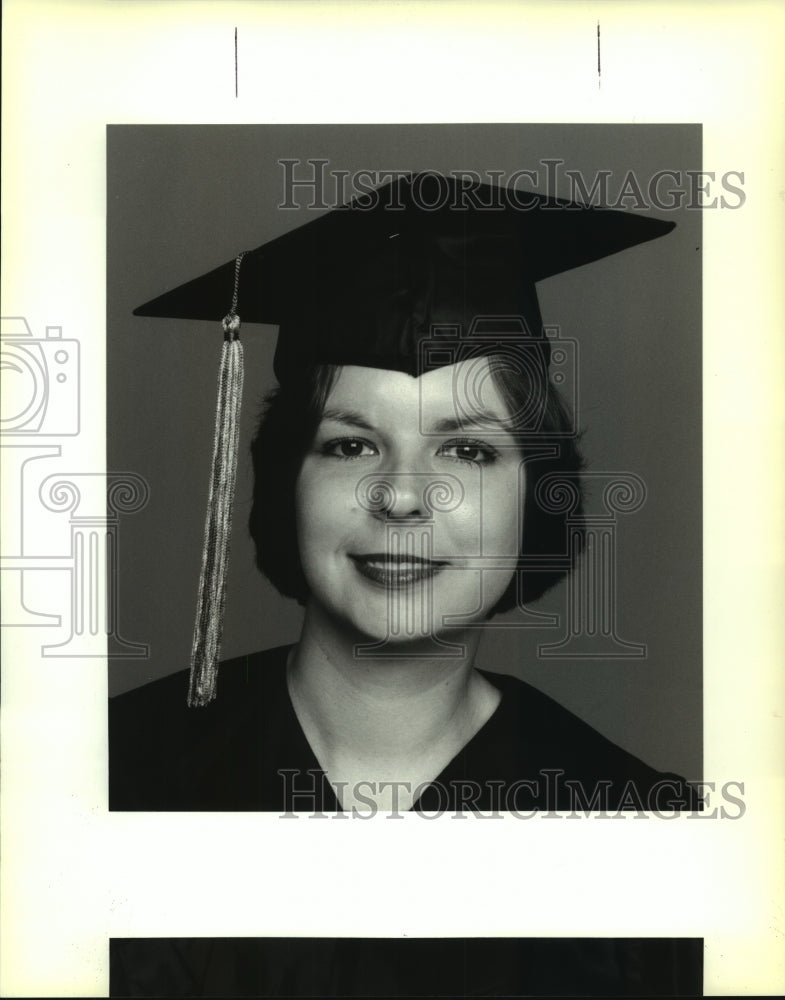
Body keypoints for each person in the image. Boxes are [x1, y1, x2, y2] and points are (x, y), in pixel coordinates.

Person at [109, 172, 698, 816]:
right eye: (350, 446)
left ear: (535, 494)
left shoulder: (630, 813)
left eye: (469, 451)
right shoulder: (108, 774)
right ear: (287, 485)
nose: (401, 496)